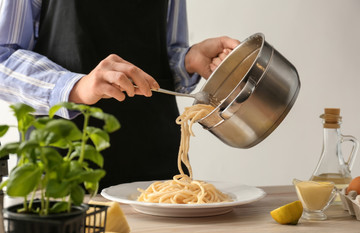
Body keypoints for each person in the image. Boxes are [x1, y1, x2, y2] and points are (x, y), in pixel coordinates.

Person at [0, 0, 239, 189]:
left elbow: (163, 53)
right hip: (61, 169)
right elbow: (3, 57)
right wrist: (75, 87)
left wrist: (188, 61)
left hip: (156, 169)